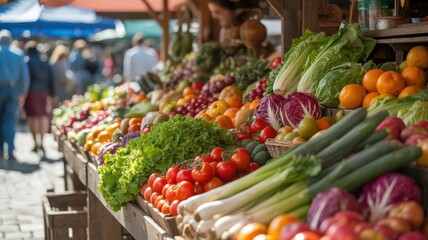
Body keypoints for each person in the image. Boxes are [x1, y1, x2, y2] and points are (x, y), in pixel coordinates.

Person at [0, 30, 30, 160]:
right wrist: (23, 93)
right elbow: (24, 76)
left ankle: (1, 149)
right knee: (10, 120)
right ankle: (11, 149)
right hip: (13, 89)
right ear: (10, 41)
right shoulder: (18, 54)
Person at [23, 41, 56, 153]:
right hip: (44, 92)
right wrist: (53, 94)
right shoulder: (45, 60)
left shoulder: (27, 61)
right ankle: (41, 142)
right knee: (43, 116)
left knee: (33, 117)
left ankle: (35, 142)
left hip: (31, 92)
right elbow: (52, 78)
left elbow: (25, 79)